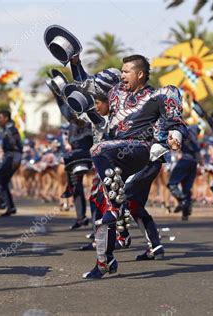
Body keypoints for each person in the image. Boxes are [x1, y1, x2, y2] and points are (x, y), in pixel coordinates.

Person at [83, 55, 186, 279]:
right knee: (103, 210)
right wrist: (73, 60)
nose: (121, 75)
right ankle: (104, 262)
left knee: (97, 151)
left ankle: (118, 209)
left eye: (126, 71)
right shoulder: (114, 91)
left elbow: (175, 119)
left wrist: (175, 135)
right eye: (121, 71)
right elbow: (85, 84)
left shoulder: (157, 95)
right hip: (116, 155)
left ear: (140, 74)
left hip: (139, 150)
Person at [0, 110, 23, 217]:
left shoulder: (11, 130)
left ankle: (1, 203)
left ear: (6, 118)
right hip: (9, 156)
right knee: (3, 182)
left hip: (11, 157)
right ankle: (10, 207)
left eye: (0, 118)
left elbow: (18, 146)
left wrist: (17, 160)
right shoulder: (7, 127)